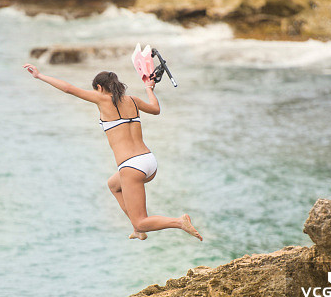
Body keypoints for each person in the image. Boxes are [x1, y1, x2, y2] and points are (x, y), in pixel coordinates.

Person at [22, 63, 202, 241]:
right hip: (149, 162)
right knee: (113, 185)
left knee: (142, 221)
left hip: (132, 167)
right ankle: (137, 229)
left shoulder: (102, 100)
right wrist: (149, 88)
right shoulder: (132, 100)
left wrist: (39, 76)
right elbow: (156, 109)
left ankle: (178, 222)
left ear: (99, 88)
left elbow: (68, 88)